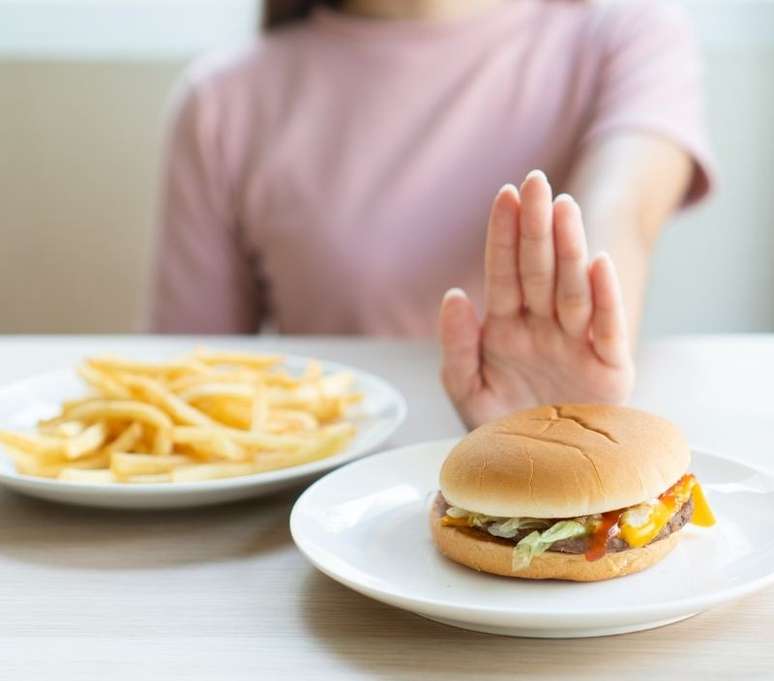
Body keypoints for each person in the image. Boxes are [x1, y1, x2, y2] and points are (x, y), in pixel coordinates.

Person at [151, 0, 714, 429]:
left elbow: (619, 211)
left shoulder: (626, 36)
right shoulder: (221, 99)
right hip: (318, 502)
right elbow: (187, 386)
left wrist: (567, 380)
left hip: (550, 456)